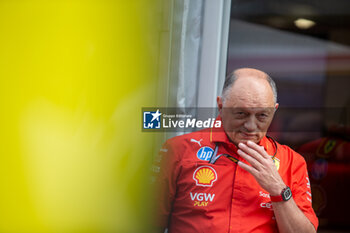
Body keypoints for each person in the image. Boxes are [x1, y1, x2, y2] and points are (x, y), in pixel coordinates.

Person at [154, 68, 318, 233]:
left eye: (262, 115)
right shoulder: (179, 151)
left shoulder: (292, 162)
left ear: (274, 110)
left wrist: (278, 190)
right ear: (221, 106)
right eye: (241, 113)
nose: (251, 126)